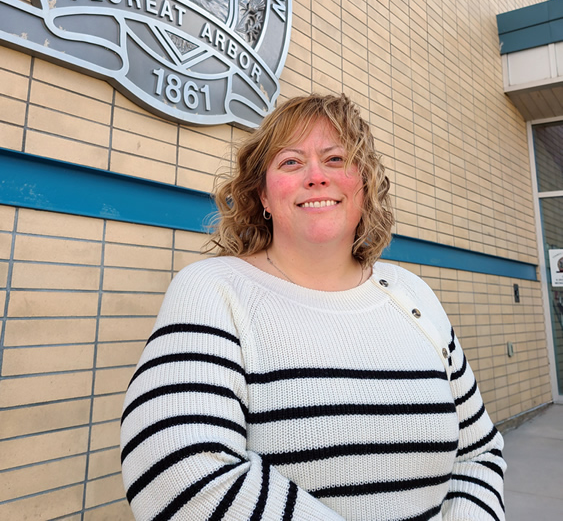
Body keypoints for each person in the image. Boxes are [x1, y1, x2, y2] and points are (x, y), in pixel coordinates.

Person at [121, 93, 505, 521]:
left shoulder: (412, 294)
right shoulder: (214, 290)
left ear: (364, 184)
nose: (316, 176)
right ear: (263, 196)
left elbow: (480, 453)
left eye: (336, 159)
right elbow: (177, 472)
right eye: (290, 162)